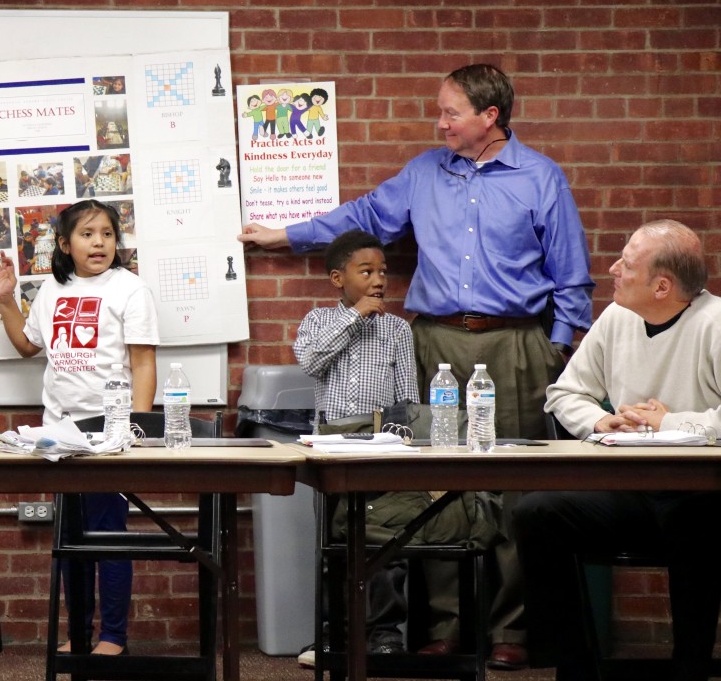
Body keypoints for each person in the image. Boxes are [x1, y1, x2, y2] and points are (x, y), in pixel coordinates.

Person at [239, 64, 595, 668]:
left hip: (516, 347)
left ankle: (508, 633)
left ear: (490, 117)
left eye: (451, 113)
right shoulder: (424, 172)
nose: (440, 123)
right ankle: (447, 628)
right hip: (434, 345)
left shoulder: (541, 178)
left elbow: (572, 278)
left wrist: (553, 353)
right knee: (433, 488)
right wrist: (283, 236)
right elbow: (365, 217)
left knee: (515, 491)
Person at [514, 220, 721, 681]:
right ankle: (575, 666)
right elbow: (565, 394)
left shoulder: (715, 324)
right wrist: (598, 420)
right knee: (537, 514)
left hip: (703, 496)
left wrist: (669, 421)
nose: (612, 269)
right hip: (634, 491)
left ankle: (691, 669)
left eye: (627, 265)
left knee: (696, 522)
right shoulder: (616, 317)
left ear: (662, 286)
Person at [0, 199, 159, 657]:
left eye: (106, 233)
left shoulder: (129, 289)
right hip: (59, 435)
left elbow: (143, 361)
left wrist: (135, 431)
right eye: (87, 234)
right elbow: (27, 345)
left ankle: (113, 637)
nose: (99, 242)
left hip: (111, 433)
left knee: (110, 537)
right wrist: (6, 299)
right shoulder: (51, 289)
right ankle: (79, 634)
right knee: (70, 540)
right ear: (65, 244)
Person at [293, 230, 419, 664]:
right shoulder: (317, 321)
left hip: (382, 445)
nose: (378, 280)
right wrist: (355, 318)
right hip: (329, 443)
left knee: (384, 543)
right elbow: (310, 361)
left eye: (382, 272)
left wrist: (406, 441)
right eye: (366, 271)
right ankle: (334, 633)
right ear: (337, 278)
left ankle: (386, 634)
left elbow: (409, 396)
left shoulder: (398, 330)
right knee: (333, 543)